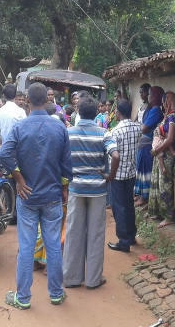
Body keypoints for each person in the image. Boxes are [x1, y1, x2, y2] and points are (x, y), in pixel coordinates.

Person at [0, 82, 72, 309]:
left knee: (27, 246)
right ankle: (56, 294)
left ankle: (23, 298)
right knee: (53, 245)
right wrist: (64, 188)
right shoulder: (59, 127)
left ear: (27, 101)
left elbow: (4, 154)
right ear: (48, 100)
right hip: (52, 196)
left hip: (28, 197)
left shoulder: (20, 128)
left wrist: (19, 179)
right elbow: (67, 165)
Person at [64, 95, 119, 289]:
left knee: (73, 232)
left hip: (76, 188)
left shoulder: (68, 133)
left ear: (77, 111)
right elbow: (115, 155)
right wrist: (110, 176)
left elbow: (61, 158)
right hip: (97, 189)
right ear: (96, 112)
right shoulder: (104, 133)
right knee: (95, 234)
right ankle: (93, 280)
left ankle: (71, 278)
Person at [107, 100, 142, 253]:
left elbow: (114, 156)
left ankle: (123, 241)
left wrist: (110, 175)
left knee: (118, 207)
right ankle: (131, 236)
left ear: (119, 112)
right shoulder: (138, 128)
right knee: (129, 205)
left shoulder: (115, 131)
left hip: (118, 175)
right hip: (131, 173)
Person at [148, 91, 175, 228]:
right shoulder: (173, 117)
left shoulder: (172, 118)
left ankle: (169, 216)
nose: (163, 105)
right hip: (166, 154)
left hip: (168, 157)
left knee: (165, 186)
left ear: (167, 102)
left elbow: (170, 139)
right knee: (164, 185)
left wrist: (156, 150)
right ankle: (163, 213)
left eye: (164, 102)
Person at [133, 86, 164, 208]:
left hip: (148, 146)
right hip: (143, 145)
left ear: (155, 97)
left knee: (145, 171)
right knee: (141, 170)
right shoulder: (150, 109)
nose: (148, 97)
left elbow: (144, 128)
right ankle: (141, 195)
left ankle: (144, 198)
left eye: (150, 94)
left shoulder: (156, 110)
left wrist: (138, 127)